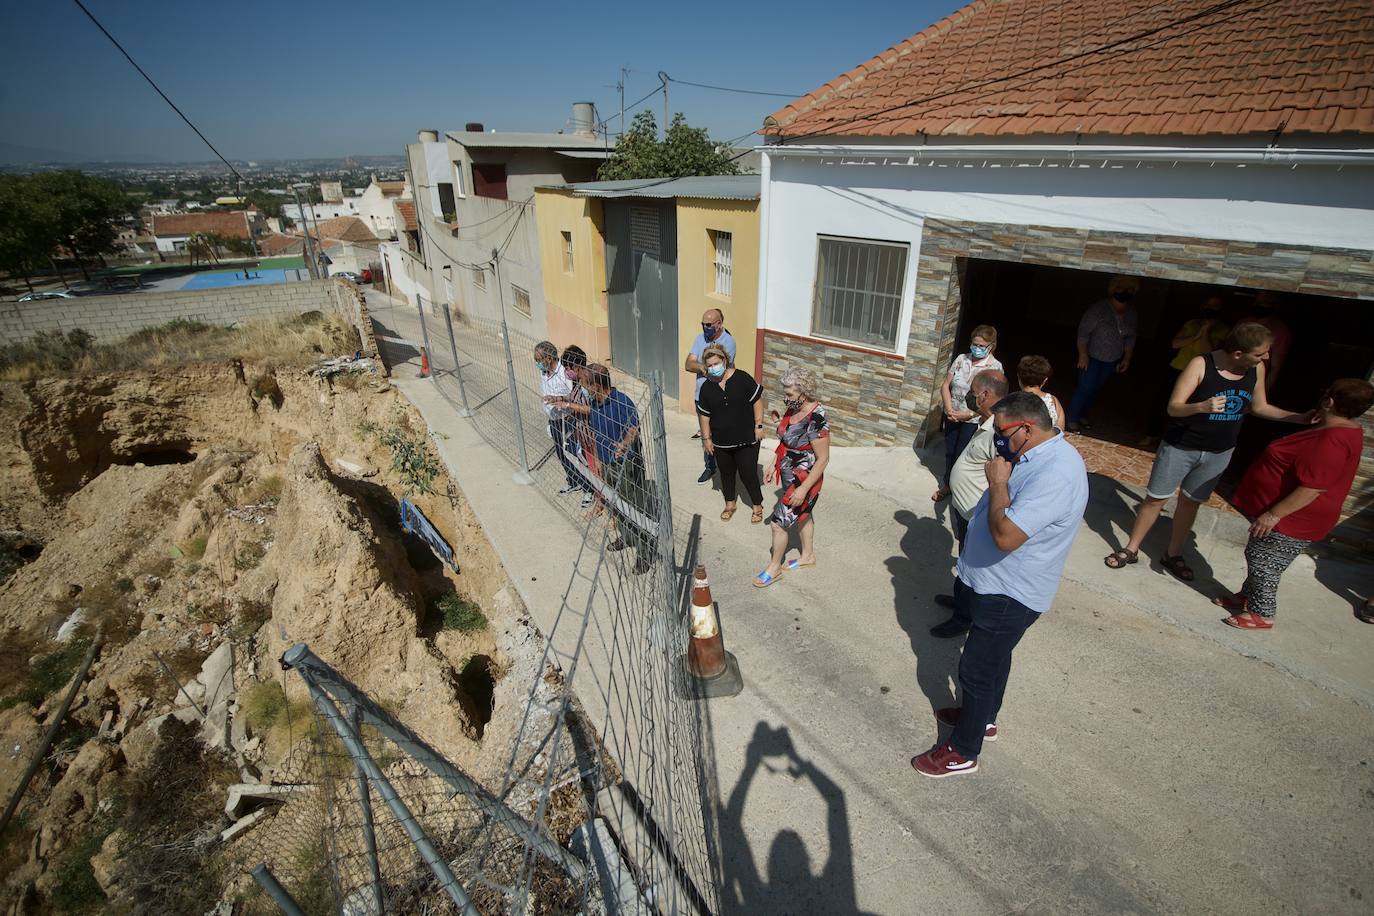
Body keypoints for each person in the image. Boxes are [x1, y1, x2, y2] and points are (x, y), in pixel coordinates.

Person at [911, 392, 1088, 778]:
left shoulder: (1056, 473)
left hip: (1011, 593)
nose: (998, 441)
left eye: (1002, 432)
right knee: (995, 660)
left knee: (975, 669)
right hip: (995, 583)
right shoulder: (1036, 454)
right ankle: (982, 718)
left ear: (1026, 428)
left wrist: (997, 484)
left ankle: (963, 750)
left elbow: (1007, 536)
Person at [1103, 322, 1314, 581]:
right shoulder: (1201, 365)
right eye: (1260, 353)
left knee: (1191, 502)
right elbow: (1174, 408)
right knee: (1156, 499)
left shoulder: (1255, 368)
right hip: (1181, 446)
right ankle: (1131, 548)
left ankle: (1173, 554)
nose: (1266, 358)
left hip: (1219, 451)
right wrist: (1201, 406)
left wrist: (1298, 418)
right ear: (1238, 353)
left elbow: (1259, 407)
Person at [1213, 379, 1372, 629]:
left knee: (1264, 562)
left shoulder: (1332, 440)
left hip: (1295, 517)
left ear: (1329, 402)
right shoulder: (1342, 429)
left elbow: (1313, 487)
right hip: (1296, 514)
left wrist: (1273, 515)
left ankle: (1262, 613)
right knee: (1262, 555)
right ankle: (1249, 596)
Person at [556, 364, 658, 574]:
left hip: (626, 464)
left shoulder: (622, 401)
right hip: (606, 462)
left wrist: (625, 444)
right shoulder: (596, 402)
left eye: (585, 385)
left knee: (633, 508)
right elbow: (591, 419)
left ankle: (645, 553)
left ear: (596, 385)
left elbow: (633, 427)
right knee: (616, 505)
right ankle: (627, 537)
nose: (583, 389)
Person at [931, 370, 1009, 624]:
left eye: (973, 393)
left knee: (971, 568)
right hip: (965, 512)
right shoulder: (984, 421)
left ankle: (963, 617)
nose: (969, 397)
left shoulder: (998, 432)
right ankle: (960, 602)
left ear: (985, 395)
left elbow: (1003, 477)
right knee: (965, 563)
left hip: (976, 515)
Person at [754, 366, 829, 588]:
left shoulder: (816, 417)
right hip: (789, 474)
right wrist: (774, 463)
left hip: (805, 480)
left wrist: (803, 489)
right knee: (803, 515)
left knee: (778, 524)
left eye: (789, 394)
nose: (785, 398)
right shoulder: (793, 409)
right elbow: (787, 440)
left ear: (804, 392)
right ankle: (808, 556)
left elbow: (823, 459)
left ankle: (774, 567)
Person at [1143, 295, 1230, 444]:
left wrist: (1206, 333)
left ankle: (1172, 439)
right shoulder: (1192, 324)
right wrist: (1196, 334)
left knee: (1186, 407)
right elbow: (1175, 343)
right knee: (1162, 402)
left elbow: (1209, 350)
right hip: (1178, 367)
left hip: (1199, 375)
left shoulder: (1223, 330)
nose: (1211, 309)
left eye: (1215, 306)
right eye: (1208, 305)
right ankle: (1151, 434)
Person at [695, 343, 766, 523]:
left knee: (748, 472)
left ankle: (757, 505)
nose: (713, 368)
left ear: (724, 360)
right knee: (725, 473)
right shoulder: (706, 388)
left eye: (716, 363)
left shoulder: (742, 378)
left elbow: (757, 401)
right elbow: (704, 416)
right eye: (709, 365)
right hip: (721, 441)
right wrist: (706, 439)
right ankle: (730, 503)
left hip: (747, 439)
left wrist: (758, 425)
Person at [933, 325, 1002, 502]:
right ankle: (948, 484)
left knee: (964, 455)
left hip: (973, 420)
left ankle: (960, 488)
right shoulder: (961, 359)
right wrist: (949, 409)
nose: (976, 348)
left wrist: (969, 415)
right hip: (952, 415)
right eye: (974, 344)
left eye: (981, 345)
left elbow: (992, 403)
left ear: (991, 346)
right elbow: (945, 385)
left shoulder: (995, 367)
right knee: (950, 451)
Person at [1065, 275, 1140, 433]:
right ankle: (1071, 418)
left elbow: (1130, 337)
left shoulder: (1131, 313)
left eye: (1129, 290)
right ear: (1113, 289)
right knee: (1085, 387)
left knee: (1096, 388)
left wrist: (1127, 357)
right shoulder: (1099, 309)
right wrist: (1083, 355)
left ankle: (1082, 416)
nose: (1125, 292)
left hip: (1112, 358)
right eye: (1121, 288)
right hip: (1092, 356)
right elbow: (1083, 333)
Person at [684, 309, 736, 485]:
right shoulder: (700, 339)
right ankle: (710, 466)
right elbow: (688, 364)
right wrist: (705, 367)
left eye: (709, 325)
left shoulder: (728, 342)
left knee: (723, 432)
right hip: (701, 396)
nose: (705, 328)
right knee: (706, 435)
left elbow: (721, 371)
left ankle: (728, 467)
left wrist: (701, 366)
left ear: (719, 323)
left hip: (720, 396)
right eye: (703, 324)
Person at [535, 341, 590, 502]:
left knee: (575, 454)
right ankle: (573, 481)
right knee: (561, 454)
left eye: (539, 359)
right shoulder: (544, 372)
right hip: (554, 420)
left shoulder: (564, 372)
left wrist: (564, 403)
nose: (538, 363)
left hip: (569, 419)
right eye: (536, 360)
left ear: (549, 357)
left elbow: (573, 394)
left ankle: (587, 487)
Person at [558, 345, 596, 509]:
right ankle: (596, 498)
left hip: (592, 435)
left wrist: (568, 405)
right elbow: (574, 399)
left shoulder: (588, 384)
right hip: (582, 434)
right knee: (588, 468)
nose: (567, 371)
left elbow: (592, 410)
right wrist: (559, 398)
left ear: (577, 366)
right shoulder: (577, 382)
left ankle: (600, 501)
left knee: (597, 472)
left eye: (568, 367)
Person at [1242, 291, 1292, 393]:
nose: (1258, 305)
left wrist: (1260, 395)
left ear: (1275, 305)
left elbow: (1275, 369)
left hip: (1252, 384)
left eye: (1264, 302)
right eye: (1257, 302)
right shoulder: (1243, 323)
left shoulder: (1280, 331)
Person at [1015, 355, 1063, 429]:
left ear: (1019, 377)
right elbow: (1060, 430)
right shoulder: (1053, 401)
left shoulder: (1012, 401)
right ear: (1045, 380)